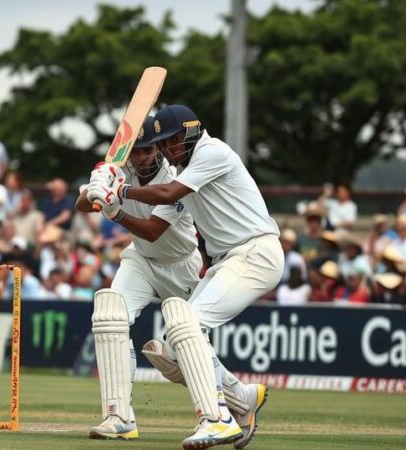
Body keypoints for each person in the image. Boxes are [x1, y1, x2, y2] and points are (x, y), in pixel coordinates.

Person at [88, 105, 282, 449]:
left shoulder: (211, 152)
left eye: (173, 140)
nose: (167, 148)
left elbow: (167, 195)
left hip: (255, 252)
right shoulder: (185, 166)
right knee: (177, 337)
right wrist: (100, 184)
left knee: (186, 324)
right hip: (226, 257)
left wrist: (118, 193)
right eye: (163, 142)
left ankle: (218, 420)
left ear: (193, 131)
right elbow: (212, 218)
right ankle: (241, 399)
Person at [76, 116, 203, 439]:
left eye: (149, 150)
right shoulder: (122, 169)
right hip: (141, 260)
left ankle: (237, 401)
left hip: (181, 264)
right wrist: (96, 185)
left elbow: (154, 231)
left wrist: (114, 211)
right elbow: (82, 205)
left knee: (190, 348)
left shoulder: (176, 178)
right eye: (137, 151)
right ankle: (119, 416)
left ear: (159, 148)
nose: (143, 157)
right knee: (110, 316)